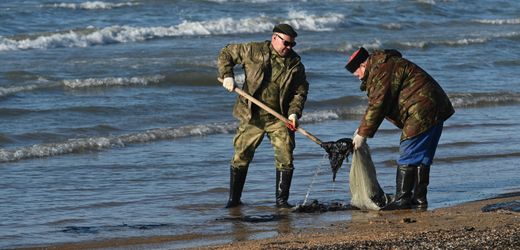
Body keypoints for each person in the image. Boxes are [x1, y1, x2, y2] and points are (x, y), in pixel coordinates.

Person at [345, 47, 454, 210]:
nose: (359, 78)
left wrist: (362, 135)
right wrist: (362, 130)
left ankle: (403, 199)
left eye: (358, 74)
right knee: (422, 157)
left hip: (421, 108)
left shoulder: (381, 69)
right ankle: (418, 199)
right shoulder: (386, 64)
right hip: (435, 106)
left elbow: (378, 104)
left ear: (363, 65)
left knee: (408, 152)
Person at [217, 24, 309, 208]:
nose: (289, 48)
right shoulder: (253, 50)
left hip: (279, 118)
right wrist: (227, 75)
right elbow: (226, 53)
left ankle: (282, 203)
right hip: (252, 116)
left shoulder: (295, 64)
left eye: (292, 45)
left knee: (286, 157)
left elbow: (300, 91)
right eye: (286, 43)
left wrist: (293, 113)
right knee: (241, 155)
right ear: (275, 38)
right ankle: (234, 201)